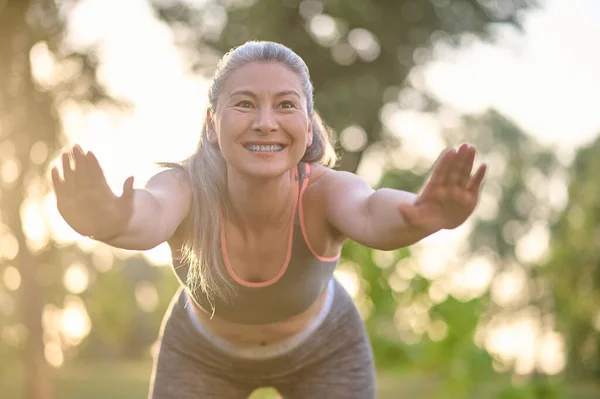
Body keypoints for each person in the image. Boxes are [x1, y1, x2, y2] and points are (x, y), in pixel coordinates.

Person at [51, 41, 486, 399]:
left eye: (285, 105)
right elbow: (147, 216)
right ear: (210, 124)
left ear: (309, 127)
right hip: (199, 353)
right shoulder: (185, 187)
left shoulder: (324, 191)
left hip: (325, 349)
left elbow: (374, 214)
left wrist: (423, 215)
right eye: (244, 104)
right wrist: (108, 218)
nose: (265, 123)